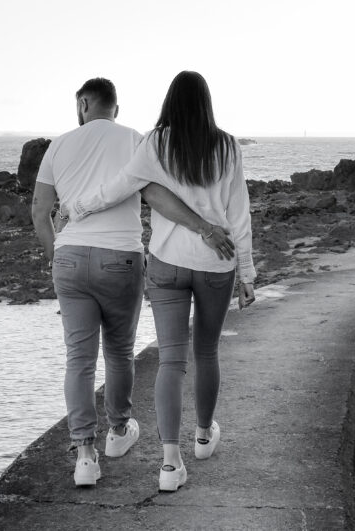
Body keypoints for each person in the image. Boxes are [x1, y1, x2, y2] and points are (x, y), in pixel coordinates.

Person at [31, 77, 234, 488]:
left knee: (79, 358)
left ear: (83, 104)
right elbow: (154, 193)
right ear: (116, 109)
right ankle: (119, 432)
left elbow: (40, 210)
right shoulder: (137, 140)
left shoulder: (58, 144)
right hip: (121, 257)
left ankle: (85, 457)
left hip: (70, 257)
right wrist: (202, 227)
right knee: (120, 352)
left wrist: (57, 254)